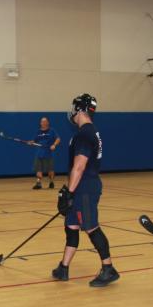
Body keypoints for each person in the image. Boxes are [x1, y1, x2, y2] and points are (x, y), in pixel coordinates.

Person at [53, 93, 120, 287]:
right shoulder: (90, 131)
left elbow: (79, 166)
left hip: (85, 188)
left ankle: (108, 268)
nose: (72, 112)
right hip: (83, 186)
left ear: (80, 110)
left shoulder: (84, 134)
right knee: (71, 226)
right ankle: (63, 268)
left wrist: (69, 192)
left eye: (75, 107)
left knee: (91, 227)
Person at [28, 117, 60, 189]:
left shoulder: (52, 131)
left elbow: (58, 139)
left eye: (45, 122)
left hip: (49, 153)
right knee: (38, 170)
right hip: (39, 154)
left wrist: (54, 145)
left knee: (50, 172)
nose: (43, 123)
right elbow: (34, 140)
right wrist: (31, 142)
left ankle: (51, 182)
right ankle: (38, 183)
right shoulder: (38, 132)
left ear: (48, 123)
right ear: (40, 123)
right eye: (42, 122)